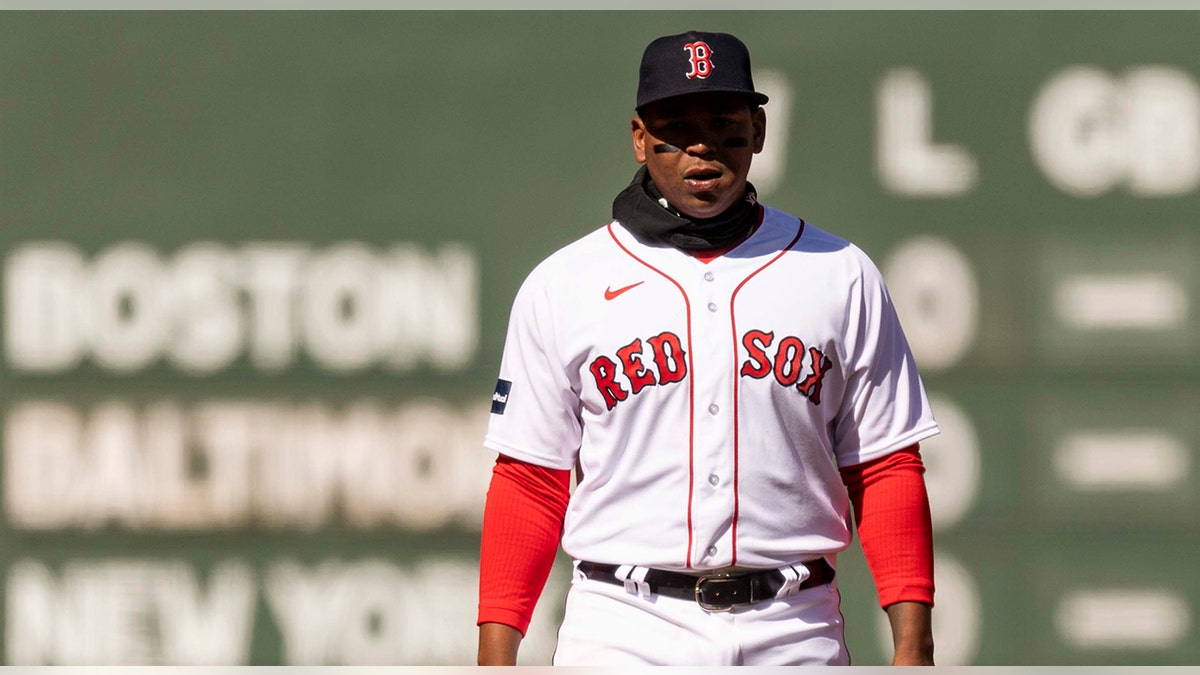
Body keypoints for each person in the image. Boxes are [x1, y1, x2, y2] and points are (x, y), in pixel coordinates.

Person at [477, 30, 939, 666]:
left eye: (723, 124)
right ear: (640, 137)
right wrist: (495, 658)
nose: (701, 146)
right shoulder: (565, 283)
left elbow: (885, 466)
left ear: (757, 129)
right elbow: (529, 481)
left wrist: (914, 648)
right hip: (623, 625)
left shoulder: (838, 272)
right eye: (677, 126)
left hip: (794, 627)